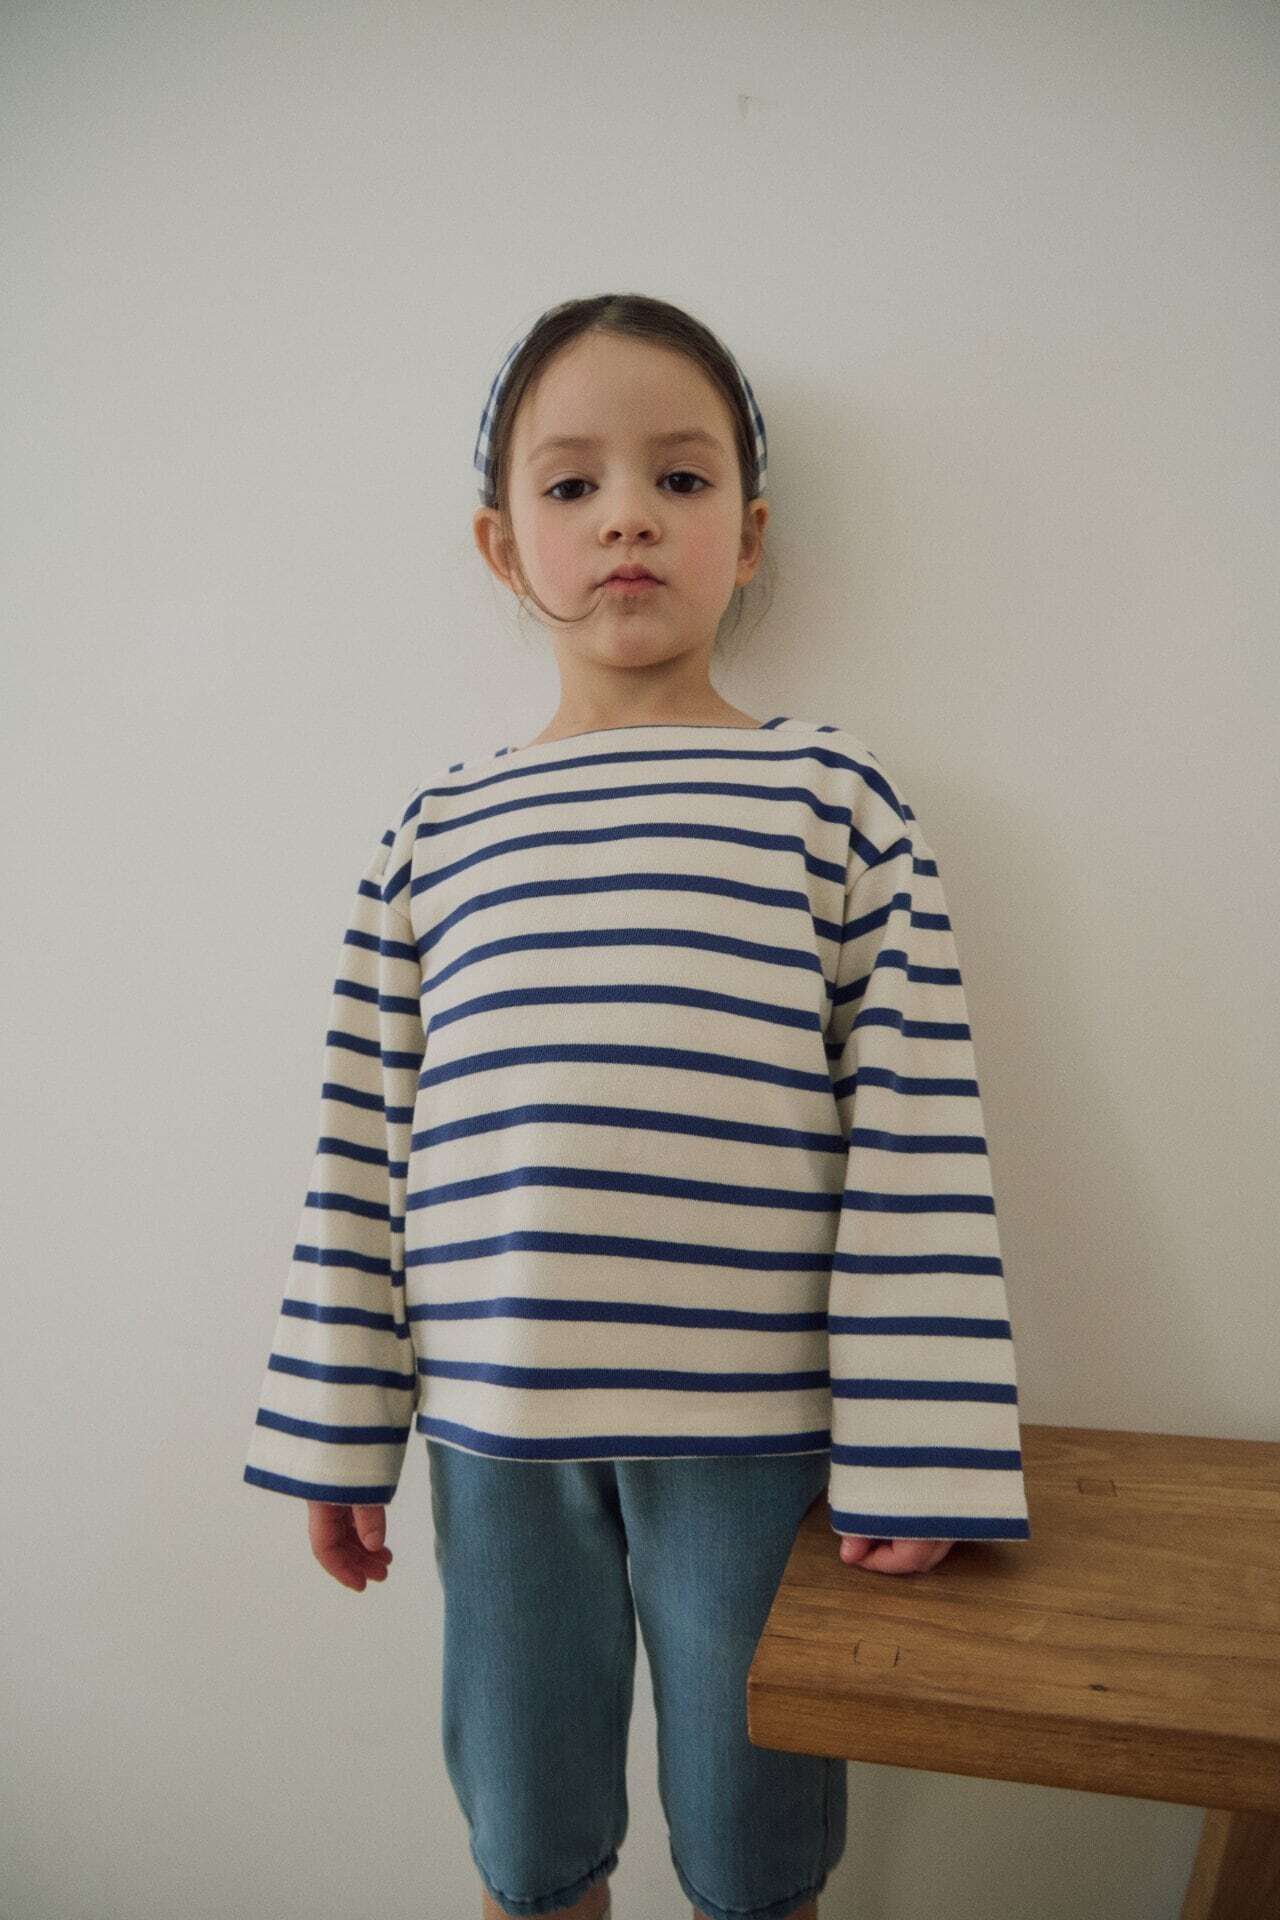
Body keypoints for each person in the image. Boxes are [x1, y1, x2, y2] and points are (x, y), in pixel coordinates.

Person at [243, 292, 1032, 1920]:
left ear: (747, 536)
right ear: (501, 543)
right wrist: (340, 1422)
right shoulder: (436, 833)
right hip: (497, 1437)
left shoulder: (832, 803)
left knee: (757, 1848)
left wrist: (919, 1451)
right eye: (572, 483)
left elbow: (915, 1140)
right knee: (528, 1845)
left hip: (756, 1441)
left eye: (679, 480)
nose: (625, 518)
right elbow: (360, 1147)